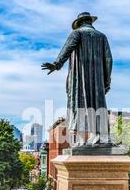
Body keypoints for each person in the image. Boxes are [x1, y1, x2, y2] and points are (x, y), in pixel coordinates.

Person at [42, 12, 113, 146]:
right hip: (98, 80)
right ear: (90, 22)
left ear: (79, 23)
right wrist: (106, 81)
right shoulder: (102, 37)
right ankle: (97, 137)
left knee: (79, 104)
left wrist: (57, 64)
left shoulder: (77, 33)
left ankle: (80, 141)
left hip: (79, 78)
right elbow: (109, 60)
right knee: (97, 105)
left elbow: (67, 49)